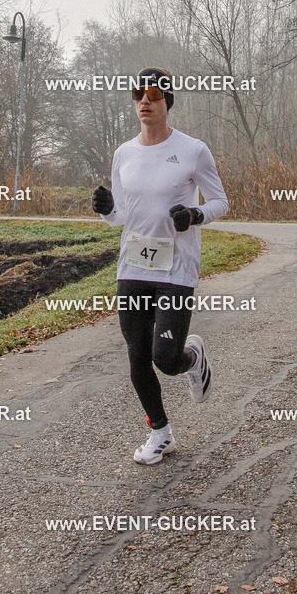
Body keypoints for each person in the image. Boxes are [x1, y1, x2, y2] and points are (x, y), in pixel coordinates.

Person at [92, 67, 229, 464]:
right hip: (133, 266)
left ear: (167, 101)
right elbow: (120, 216)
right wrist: (107, 210)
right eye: (138, 93)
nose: (144, 101)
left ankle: (191, 358)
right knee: (137, 354)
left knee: (164, 360)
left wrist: (195, 215)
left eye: (153, 94)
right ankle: (160, 432)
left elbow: (220, 202)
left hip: (176, 267)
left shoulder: (193, 150)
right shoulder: (124, 153)